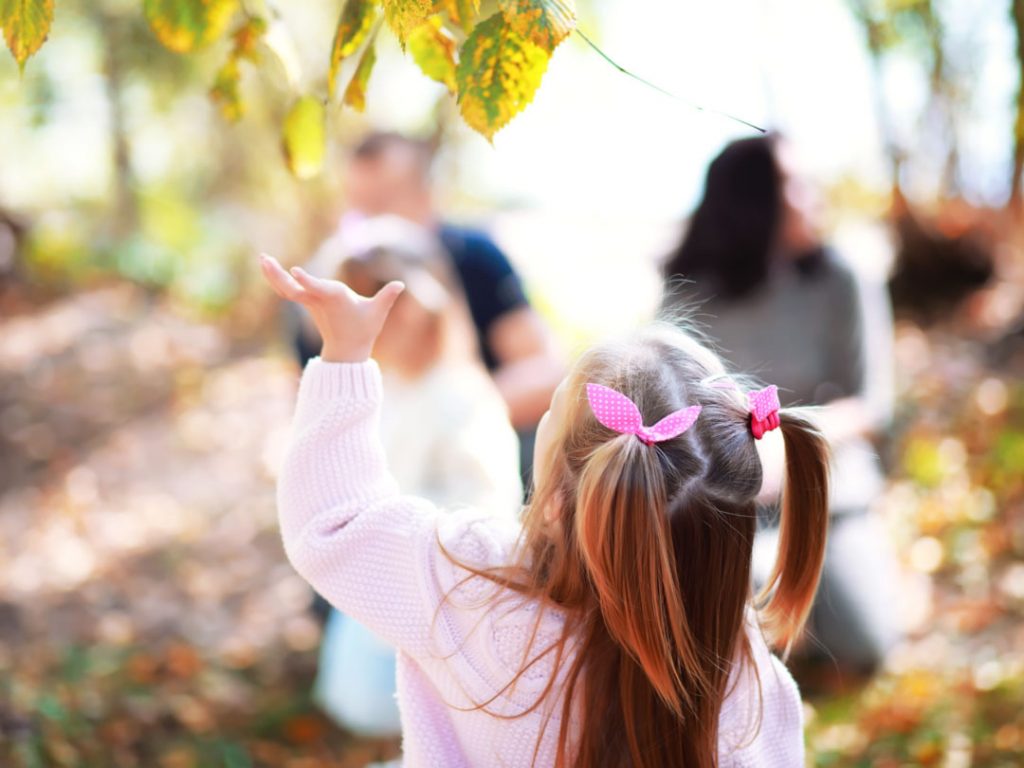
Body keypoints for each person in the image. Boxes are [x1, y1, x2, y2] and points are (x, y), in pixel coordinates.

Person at [260, 251, 831, 767]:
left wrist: (344, 355)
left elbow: (333, 522)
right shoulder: (754, 690)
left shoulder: (471, 582)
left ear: (558, 501)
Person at [662, 135, 900, 674]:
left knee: (864, 645)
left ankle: (782, 617)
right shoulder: (687, 293)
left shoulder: (841, 279)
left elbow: (871, 403)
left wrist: (783, 448)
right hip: (721, 495)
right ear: (751, 199)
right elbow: (668, 404)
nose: (813, 195)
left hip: (825, 490)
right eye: (796, 183)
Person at [310, 216, 523, 741]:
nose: (383, 326)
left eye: (393, 308)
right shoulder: (379, 388)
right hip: (377, 581)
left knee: (429, 720)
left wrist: (400, 525)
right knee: (361, 706)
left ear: (427, 310)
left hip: (440, 594)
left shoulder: (461, 396)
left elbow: (488, 506)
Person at [296, 131, 563, 483]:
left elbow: (546, 372)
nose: (372, 218)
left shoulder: (476, 259)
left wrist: (446, 415)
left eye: (386, 200)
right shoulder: (329, 285)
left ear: (425, 197)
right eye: (360, 203)